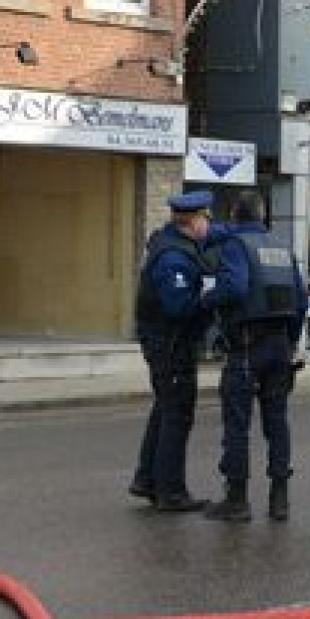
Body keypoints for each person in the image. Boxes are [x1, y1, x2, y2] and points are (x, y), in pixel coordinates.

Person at [198, 191, 309, 522]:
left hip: (246, 347)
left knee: (237, 425)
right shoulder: (282, 247)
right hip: (279, 347)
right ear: (263, 216)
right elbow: (301, 300)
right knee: (277, 423)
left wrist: (206, 299)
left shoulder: (237, 245)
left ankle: (237, 499)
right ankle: (279, 499)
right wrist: (290, 342)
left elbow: (234, 287)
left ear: (234, 215)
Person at [129, 191, 218, 512]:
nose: (208, 224)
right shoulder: (173, 257)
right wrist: (211, 298)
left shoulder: (173, 244)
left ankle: (147, 479)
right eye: (206, 218)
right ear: (194, 221)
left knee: (165, 409)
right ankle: (171, 492)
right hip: (170, 344)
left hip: (168, 342)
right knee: (177, 414)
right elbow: (178, 306)